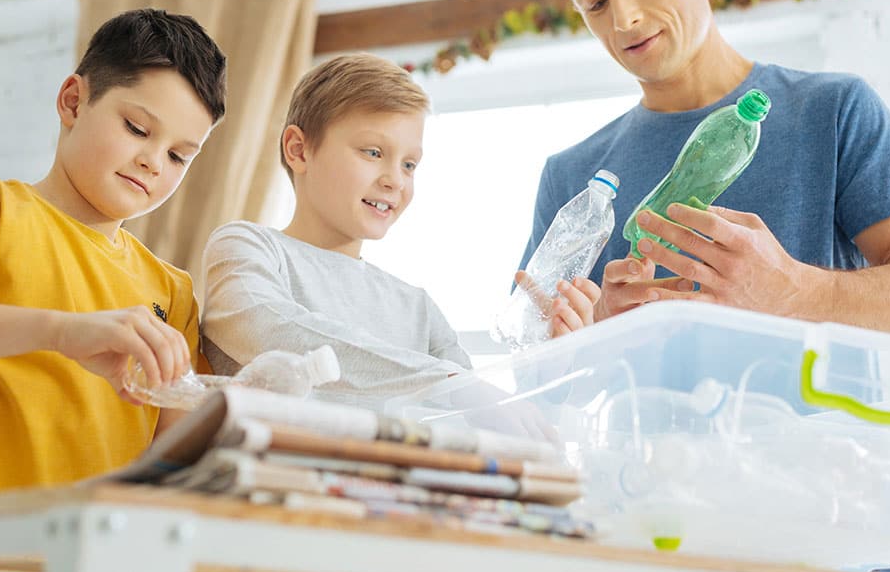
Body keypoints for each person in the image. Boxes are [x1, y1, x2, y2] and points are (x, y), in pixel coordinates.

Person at [520, 0, 890, 343]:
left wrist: (793, 292)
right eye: (596, 3)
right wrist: (595, 335)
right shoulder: (572, 180)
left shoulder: (834, 112)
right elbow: (531, 373)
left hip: (819, 419)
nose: (623, 18)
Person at [0, 8, 227, 572]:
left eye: (179, 156)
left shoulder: (173, 291)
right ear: (72, 101)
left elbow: (180, 463)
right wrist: (62, 332)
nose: (152, 162)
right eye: (138, 129)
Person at [201, 53, 597, 413]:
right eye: (373, 152)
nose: (395, 180)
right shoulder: (246, 247)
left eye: (410, 165)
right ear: (299, 150)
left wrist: (551, 367)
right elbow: (268, 331)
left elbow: (473, 420)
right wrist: (442, 381)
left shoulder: (420, 310)